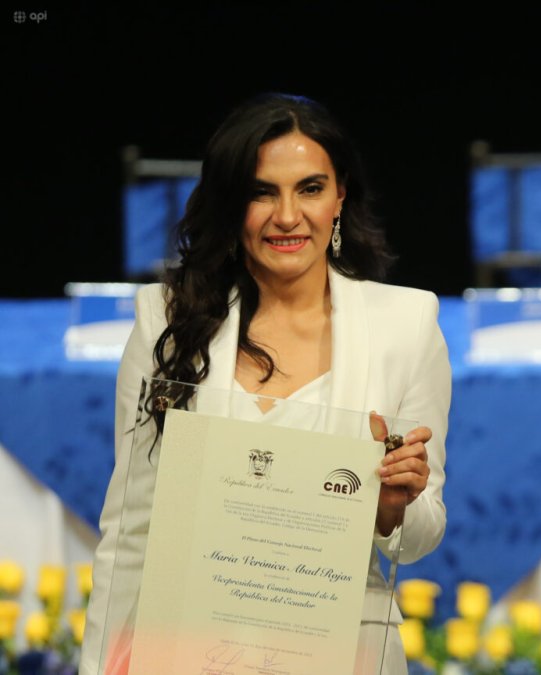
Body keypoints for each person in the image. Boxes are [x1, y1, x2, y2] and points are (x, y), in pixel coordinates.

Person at [82, 93, 450, 674]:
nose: (286, 216)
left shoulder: (406, 325)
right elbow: (130, 529)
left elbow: (420, 534)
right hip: (186, 647)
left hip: (337, 651)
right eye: (261, 192)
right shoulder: (168, 318)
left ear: (340, 196)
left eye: (309, 188)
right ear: (231, 204)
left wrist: (391, 505)